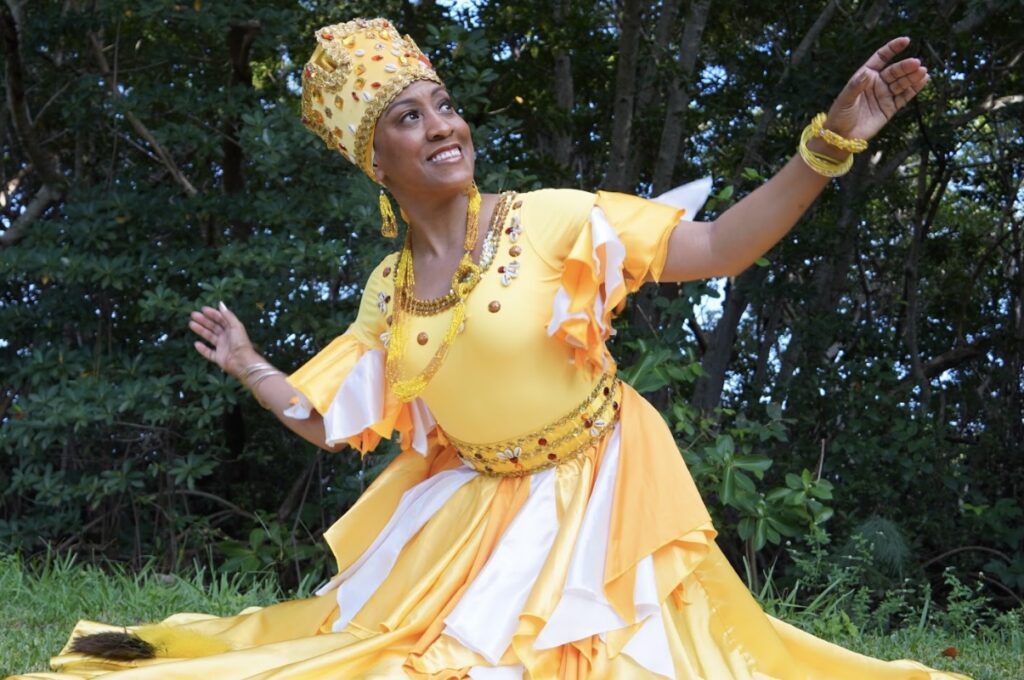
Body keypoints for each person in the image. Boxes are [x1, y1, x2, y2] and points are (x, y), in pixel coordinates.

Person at [10, 16, 968, 680]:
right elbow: (327, 417)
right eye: (408, 117)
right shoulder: (388, 293)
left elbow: (716, 247)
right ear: (374, 161)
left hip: (601, 496)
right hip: (476, 526)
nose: (444, 127)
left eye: (445, 106)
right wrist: (254, 364)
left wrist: (825, 150)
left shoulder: (552, 221)